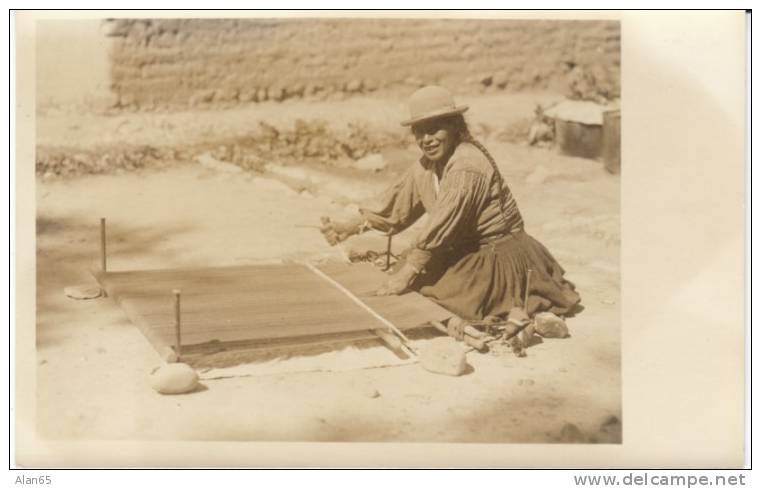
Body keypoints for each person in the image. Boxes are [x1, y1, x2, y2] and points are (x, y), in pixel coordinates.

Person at [320, 85, 581, 322]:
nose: (427, 139)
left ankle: (520, 306)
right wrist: (350, 226)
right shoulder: (428, 165)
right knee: (412, 275)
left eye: (435, 129)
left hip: (498, 254)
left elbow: (442, 222)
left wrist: (408, 271)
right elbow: (396, 204)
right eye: (419, 132)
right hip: (466, 248)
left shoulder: (467, 165)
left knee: (435, 294)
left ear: (456, 127)